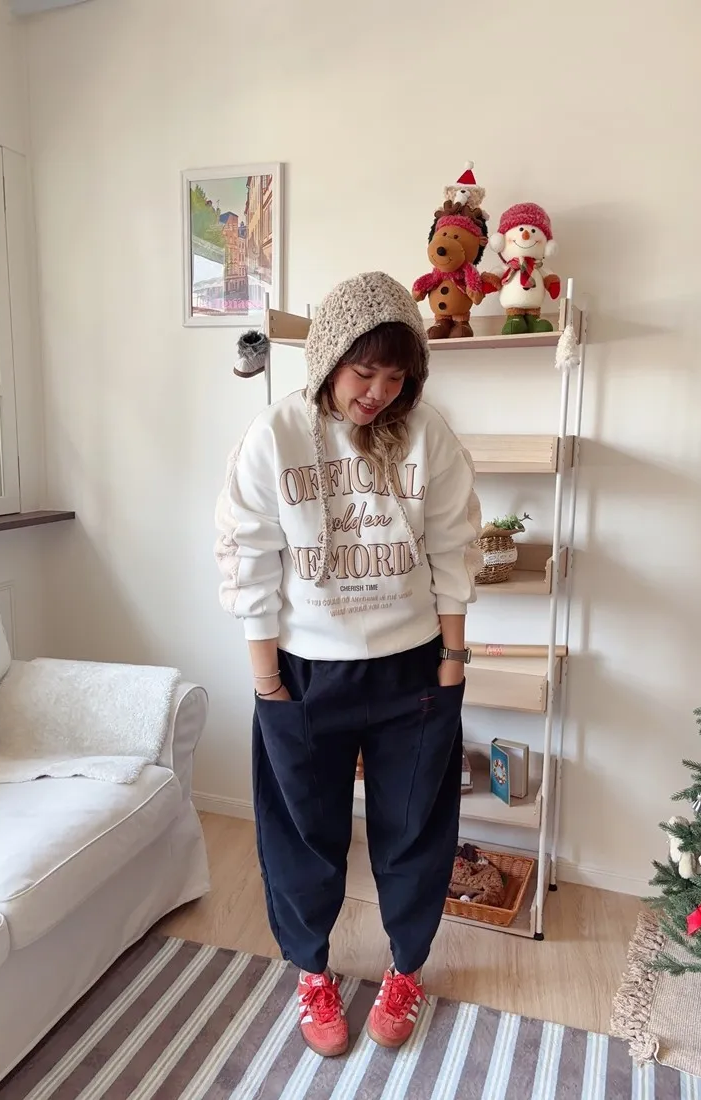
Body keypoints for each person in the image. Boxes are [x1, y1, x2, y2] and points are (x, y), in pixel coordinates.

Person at [214, 271, 482, 1057]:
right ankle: (312, 970)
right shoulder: (275, 435)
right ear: (329, 358)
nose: (378, 393)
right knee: (302, 833)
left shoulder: (428, 433)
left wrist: (453, 662)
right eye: (365, 372)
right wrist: (266, 681)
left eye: (396, 377)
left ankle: (405, 969)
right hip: (303, 673)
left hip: (413, 670)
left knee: (415, 828)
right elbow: (248, 557)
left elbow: (453, 547)